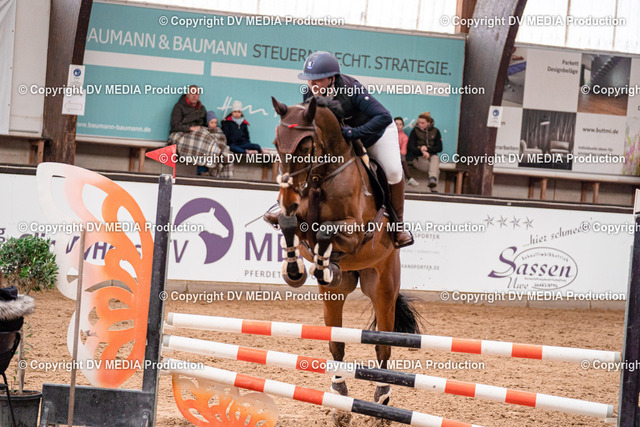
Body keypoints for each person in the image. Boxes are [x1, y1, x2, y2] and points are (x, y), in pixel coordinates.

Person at [298, 51, 413, 247]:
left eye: (317, 79)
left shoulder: (352, 89)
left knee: (394, 172)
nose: (312, 84)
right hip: (346, 138)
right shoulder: (310, 92)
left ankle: (398, 226)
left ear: (332, 78)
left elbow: (384, 117)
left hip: (376, 134)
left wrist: (354, 133)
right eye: (309, 79)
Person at [168, 85, 233, 178]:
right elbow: (175, 126)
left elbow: (206, 125)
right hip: (183, 133)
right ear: (187, 94)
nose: (194, 96)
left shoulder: (202, 109)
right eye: (192, 93)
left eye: (197, 93)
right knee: (203, 138)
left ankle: (222, 155)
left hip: (200, 132)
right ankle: (211, 162)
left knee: (217, 133)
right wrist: (190, 128)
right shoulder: (179, 107)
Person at [406, 112, 442, 192]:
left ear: (428, 123)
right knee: (435, 169)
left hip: (431, 158)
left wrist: (427, 150)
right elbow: (410, 147)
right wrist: (421, 151)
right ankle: (433, 189)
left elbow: (439, 148)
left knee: (435, 158)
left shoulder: (436, 131)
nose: (420, 124)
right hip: (418, 159)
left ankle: (432, 181)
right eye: (419, 122)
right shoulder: (415, 131)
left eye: (423, 123)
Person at [395, 117, 419, 187]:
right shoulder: (387, 135)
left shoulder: (404, 137)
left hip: (397, 156)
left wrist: (395, 152)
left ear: (403, 126)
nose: (398, 126)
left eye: (400, 124)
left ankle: (409, 178)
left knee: (401, 157)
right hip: (388, 156)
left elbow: (403, 151)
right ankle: (409, 178)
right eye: (396, 124)